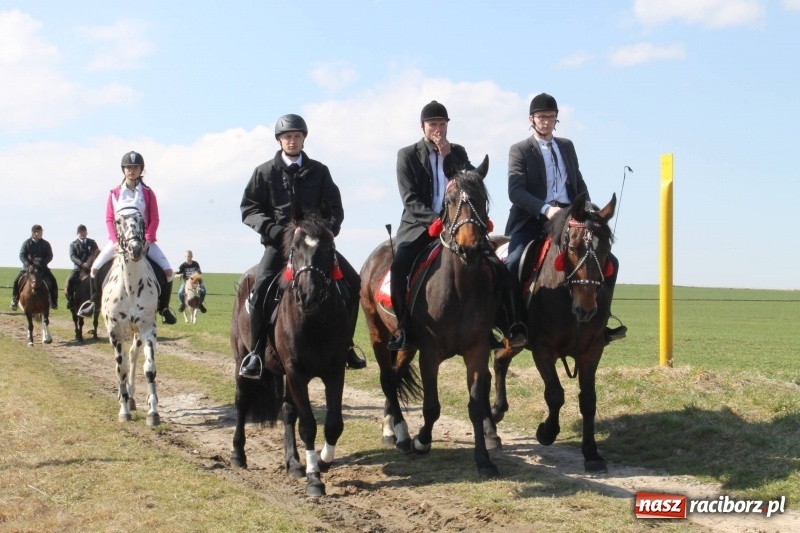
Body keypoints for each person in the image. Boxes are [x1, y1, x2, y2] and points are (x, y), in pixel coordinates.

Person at [387, 100, 528, 352]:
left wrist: (448, 156)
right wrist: (436, 221)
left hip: (460, 225)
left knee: (498, 268)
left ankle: (503, 325)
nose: (438, 129)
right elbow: (410, 199)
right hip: (421, 225)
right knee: (398, 270)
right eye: (433, 125)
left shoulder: (458, 152)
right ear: (423, 127)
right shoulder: (406, 155)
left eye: (442, 124)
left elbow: (473, 181)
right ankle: (404, 329)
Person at [239, 113, 366, 379]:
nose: (292, 141)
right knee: (261, 286)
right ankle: (256, 353)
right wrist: (272, 229)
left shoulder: (320, 171)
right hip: (280, 245)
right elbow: (249, 208)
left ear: (303, 139)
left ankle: (347, 346)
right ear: (279, 140)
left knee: (353, 282)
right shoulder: (264, 172)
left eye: (297, 136)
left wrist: (328, 230)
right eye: (287, 137)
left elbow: (335, 207)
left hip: (316, 245)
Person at [505, 93, 626, 343]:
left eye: (551, 117)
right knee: (512, 262)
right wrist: (545, 209)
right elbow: (515, 191)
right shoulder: (519, 150)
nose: (546, 122)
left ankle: (602, 321)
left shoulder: (567, 146)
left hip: (572, 219)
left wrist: (589, 210)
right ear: (531, 119)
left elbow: (578, 182)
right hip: (534, 218)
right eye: (541, 117)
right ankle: (515, 324)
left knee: (608, 260)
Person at [77, 151, 177, 325]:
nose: (132, 171)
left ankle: (164, 308)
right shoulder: (114, 193)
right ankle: (93, 303)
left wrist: (148, 238)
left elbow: (154, 218)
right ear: (123, 170)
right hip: (119, 241)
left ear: (141, 170)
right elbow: (109, 219)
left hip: (144, 241)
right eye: (129, 167)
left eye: (135, 167)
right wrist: (115, 241)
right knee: (94, 269)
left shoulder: (147, 193)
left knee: (168, 271)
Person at [11, 225, 59, 310]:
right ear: (34, 233)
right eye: (39, 232)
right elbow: (22, 255)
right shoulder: (26, 243)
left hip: (42, 268)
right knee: (16, 281)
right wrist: (27, 264)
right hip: (28, 268)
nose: (41, 233)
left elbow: (50, 255)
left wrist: (43, 263)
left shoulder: (46, 244)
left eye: (41, 232)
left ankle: (54, 301)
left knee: (53, 280)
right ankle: (15, 300)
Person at [65, 224, 99, 311]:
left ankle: (98, 301)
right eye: (80, 232)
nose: (82, 234)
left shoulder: (92, 243)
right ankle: (70, 300)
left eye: (84, 232)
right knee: (70, 281)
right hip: (78, 268)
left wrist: (90, 264)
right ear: (77, 233)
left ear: (86, 233)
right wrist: (81, 264)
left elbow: (96, 253)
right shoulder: (73, 244)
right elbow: (72, 256)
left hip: (91, 269)